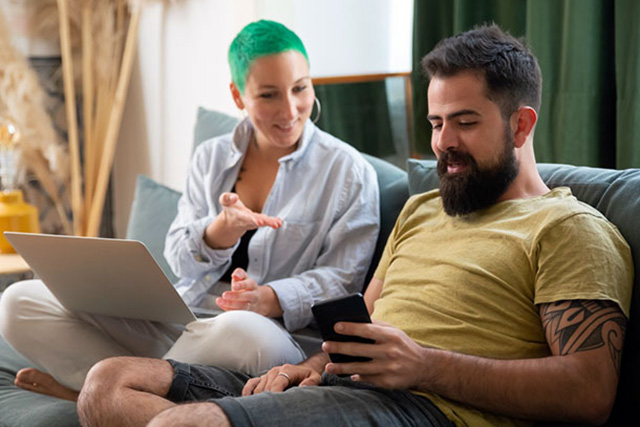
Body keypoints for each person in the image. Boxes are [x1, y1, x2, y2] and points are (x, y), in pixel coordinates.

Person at [76, 24, 633, 427]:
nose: (443, 144)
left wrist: (424, 366)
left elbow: (591, 392)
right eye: (437, 123)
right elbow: (359, 327)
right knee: (106, 385)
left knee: (180, 425)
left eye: (465, 123)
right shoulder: (422, 210)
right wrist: (309, 368)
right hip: (342, 385)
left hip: (425, 408)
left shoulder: (568, 228)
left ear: (521, 124)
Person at [0, 20, 379, 402]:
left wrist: (270, 297)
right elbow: (181, 261)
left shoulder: (349, 172)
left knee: (240, 330)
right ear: (237, 96)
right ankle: (123, 392)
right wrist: (220, 231)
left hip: (265, 338)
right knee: (18, 303)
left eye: (300, 88)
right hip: (187, 323)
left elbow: (344, 279)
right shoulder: (210, 158)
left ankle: (97, 389)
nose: (290, 109)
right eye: (268, 95)